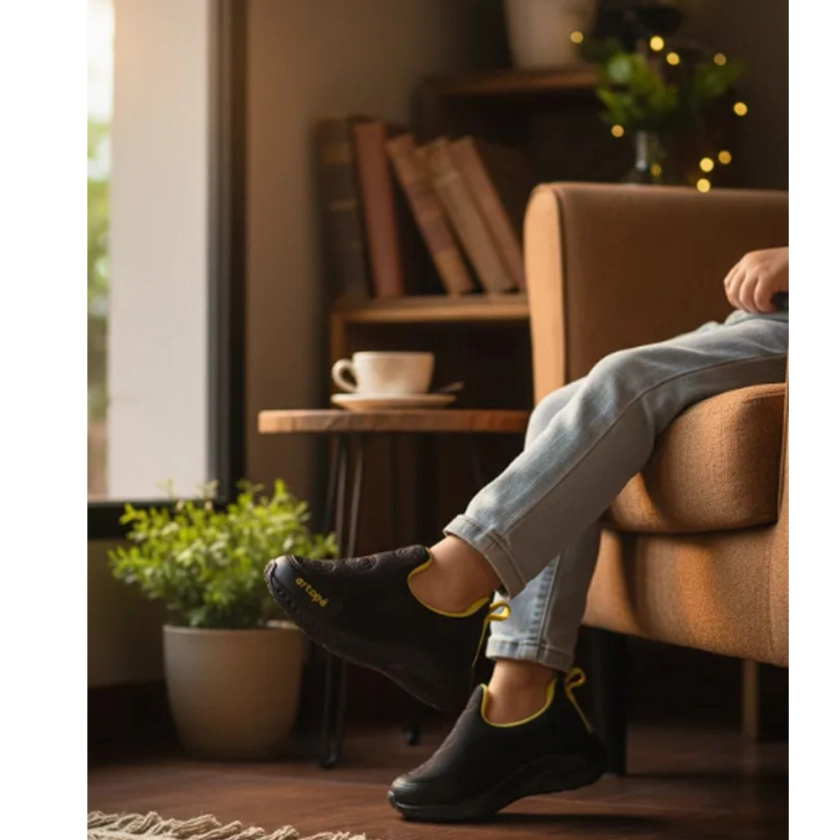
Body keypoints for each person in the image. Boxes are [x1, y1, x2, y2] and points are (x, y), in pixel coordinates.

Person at [265, 246, 789, 823]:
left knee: (625, 379)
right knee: (556, 411)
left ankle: (441, 589)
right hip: (766, 317)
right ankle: (521, 700)